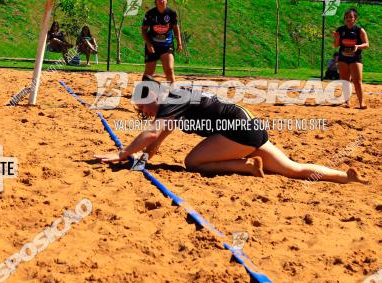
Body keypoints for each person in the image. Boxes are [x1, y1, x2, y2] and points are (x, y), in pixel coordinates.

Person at [97, 77, 365, 184]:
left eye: (142, 108)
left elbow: (152, 134)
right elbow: (158, 139)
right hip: (251, 127)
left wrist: (123, 154)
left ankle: (247, 165)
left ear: (152, 97)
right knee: (292, 169)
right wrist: (142, 160)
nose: (143, 114)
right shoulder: (175, 99)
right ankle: (345, 177)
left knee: (192, 162)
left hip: (237, 132)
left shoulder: (170, 101)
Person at [141, 0, 182, 82]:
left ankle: (172, 92)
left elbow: (176, 28)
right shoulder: (150, 14)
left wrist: (179, 43)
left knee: (169, 69)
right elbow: (144, 30)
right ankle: (143, 92)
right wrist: (148, 44)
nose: (161, 0)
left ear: (167, 0)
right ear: (155, 1)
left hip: (166, 45)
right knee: (149, 72)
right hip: (153, 46)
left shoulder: (171, 13)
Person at [334, 8, 369, 109]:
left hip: (355, 58)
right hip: (343, 57)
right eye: (347, 17)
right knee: (345, 81)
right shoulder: (340, 30)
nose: (349, 18)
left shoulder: (359, 30)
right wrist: (336, 38)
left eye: (351, 17)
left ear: (355, 18)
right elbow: (336, 45)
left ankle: (361, 102)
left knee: (357, 81)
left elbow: (367, 44)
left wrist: (358, 46)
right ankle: (346, 102)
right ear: (344, 18)